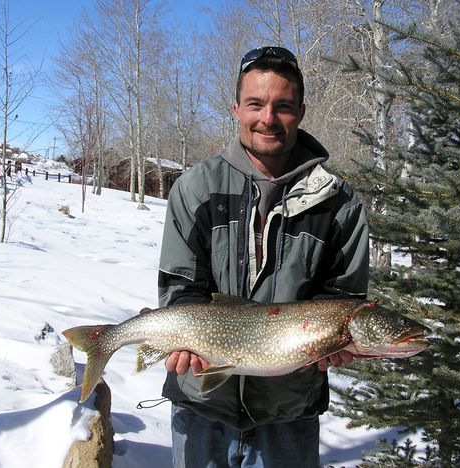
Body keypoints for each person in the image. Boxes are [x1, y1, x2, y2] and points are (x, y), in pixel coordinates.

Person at [158, 46, 369, 468]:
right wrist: (186, 341)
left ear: (302, 112)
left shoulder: (339, 203)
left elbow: (343, 299)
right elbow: (181, 287)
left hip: (289, 412)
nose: (268, 119)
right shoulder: (195, 188)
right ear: (236, 108)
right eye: (255, 103)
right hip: (202, 404)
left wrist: (336, 346)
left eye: (283, 106)